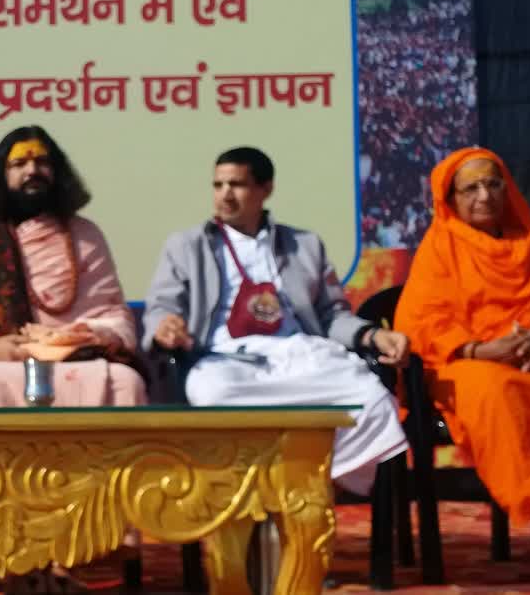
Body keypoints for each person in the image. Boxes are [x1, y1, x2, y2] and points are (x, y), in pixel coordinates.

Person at [143, 146, 409, 495]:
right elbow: (162, 305)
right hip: (225, 360)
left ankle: (306, 480)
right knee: (212, 393)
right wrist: (164, 326)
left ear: (265, 189)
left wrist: (371, 335)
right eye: (218, 185)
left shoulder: (304, 245)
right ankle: (263, 485)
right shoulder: (186, 246)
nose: (225, 195)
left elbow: (331, 315)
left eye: (237, 185)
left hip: (299, 354)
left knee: (370, 396)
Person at [394, 147, 530, 556]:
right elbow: (420, 324)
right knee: (495, 391)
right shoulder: (440, 248)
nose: (484, 196)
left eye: (493, 185)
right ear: (451, 200)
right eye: (471, 189)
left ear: (508, 190)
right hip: (468, 363)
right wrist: (482, 349)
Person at [0, 125, 146, 409]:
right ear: (2, 175)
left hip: (77, 358)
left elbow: (113, 312)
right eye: (19, 163)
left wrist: (81, 336)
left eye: (42, 162)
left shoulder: (85, 235)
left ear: (57, 173)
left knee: (125, 382)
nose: (32, 170)